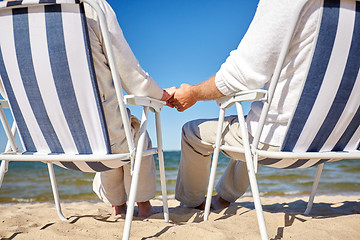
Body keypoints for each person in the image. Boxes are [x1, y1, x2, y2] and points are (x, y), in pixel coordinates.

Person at [169, 0, 322, 210]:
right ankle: (224, 197)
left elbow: (242, 74)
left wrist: (193, 93)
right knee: (254, 123)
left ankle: (193, 203)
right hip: (337, 143)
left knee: (191, 132)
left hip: (280, 140)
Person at [79, 0, 176, 218]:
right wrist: (163, 96)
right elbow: (132, 77)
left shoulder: (10, 13)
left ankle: (117, 206)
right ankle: (143, 206)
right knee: (133, 134)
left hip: (46, 139)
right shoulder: (91, 6)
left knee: (109, 134)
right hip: (102, 137)